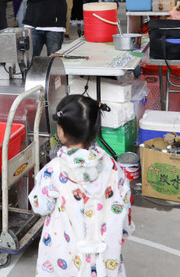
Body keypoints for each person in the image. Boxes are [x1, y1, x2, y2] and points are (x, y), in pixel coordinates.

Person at [29, 95, 134, 277]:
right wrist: (123, 231)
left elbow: (40, 206)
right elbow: (124, 204)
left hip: (65, 252)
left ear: (61, 131)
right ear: (95, 128)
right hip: (104, 250)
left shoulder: (53, 171)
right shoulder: (112, 166)